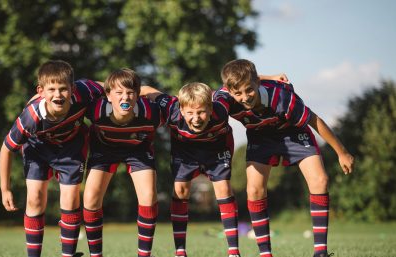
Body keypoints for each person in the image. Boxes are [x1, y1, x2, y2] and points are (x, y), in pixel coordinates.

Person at [214, 59, 355, 257]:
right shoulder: (225, 98)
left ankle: (321, 252)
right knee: (253, 190)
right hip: (261, 136)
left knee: (320, 181)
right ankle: (265, 254)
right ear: (229, 91)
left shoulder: (281, 97)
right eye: (238, 93)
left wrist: (342, 152)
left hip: (293, 132)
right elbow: (204, 102)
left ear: (257, 83)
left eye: (249, 90)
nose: (245, 97)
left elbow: (316, 121)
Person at [0, 60, 104, 257]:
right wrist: (5, 189)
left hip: (71, 148)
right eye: (52, 89)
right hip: (37, 149)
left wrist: (148, 93)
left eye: (63, 89)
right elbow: (6, 149)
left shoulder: (85, 91)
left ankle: (68, 254)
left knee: (71, 199)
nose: (58, 94)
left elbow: (115, 87)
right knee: (35, 199)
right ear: (41, 91)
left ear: (72, 89)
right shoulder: (30, 118)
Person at [141, 82, 241, 257]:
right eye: (190, 113)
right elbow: (148, 90)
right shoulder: (171, 107)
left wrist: (270, 77)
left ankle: (234, 251)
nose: (196, 118)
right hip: (185, 152)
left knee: (224, 188)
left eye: (201, 111)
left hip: (216, 149)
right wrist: (111, 93)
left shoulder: (222, 105)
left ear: (210, 108)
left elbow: (236, 81)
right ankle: (180, 250)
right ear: (181, 110)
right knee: (180, 190)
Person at [82, 68, 163, 257]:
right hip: (104, 149)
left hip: (138, 150)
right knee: (90, 198)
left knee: (149, 196)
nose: (125, 98)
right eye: (119, 93)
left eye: (130, 93)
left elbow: (177, 110)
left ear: (138, 95)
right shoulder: (96, 109)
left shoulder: (152, 112)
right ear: (108, 95)